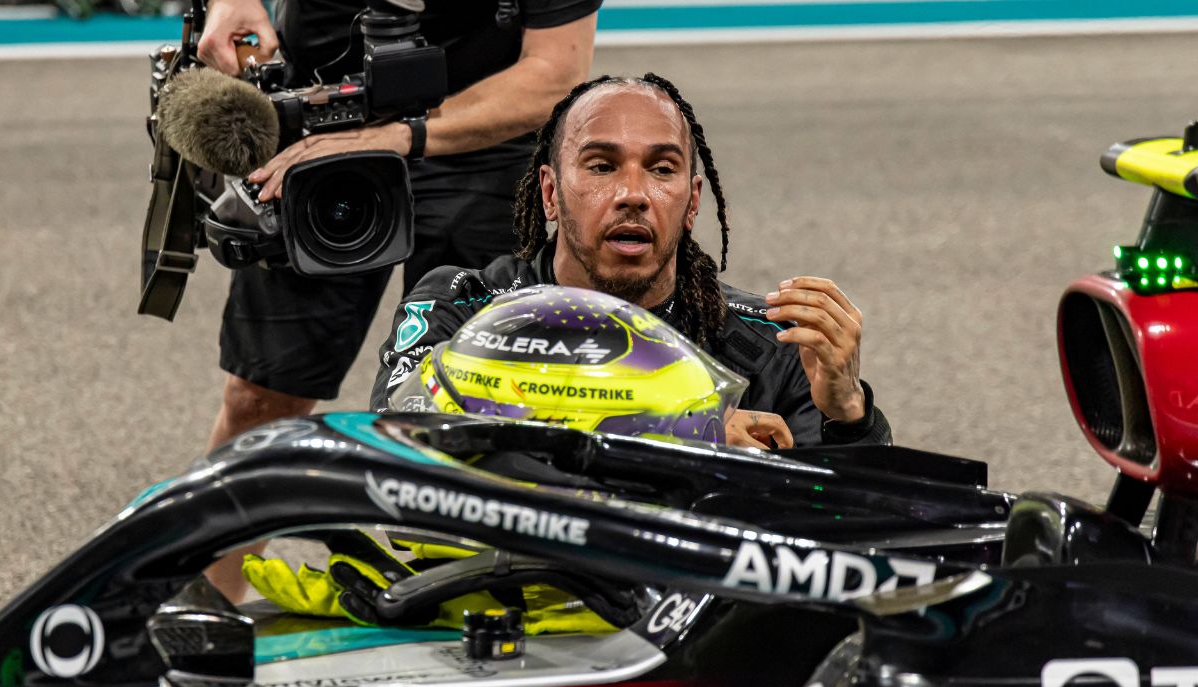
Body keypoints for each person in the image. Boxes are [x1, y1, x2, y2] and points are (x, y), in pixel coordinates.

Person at [196, 0, 601, 599]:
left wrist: (398, 134)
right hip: (319, 112)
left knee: (488, 397)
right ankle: (200, 612)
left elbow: (556, 72)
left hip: (483, 133)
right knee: (262, 396)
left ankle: (485, 618)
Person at [370, 73, 892, 449]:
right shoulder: (458, 305)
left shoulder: (775, 345)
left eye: (661, 169)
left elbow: (848, 534)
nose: (633, 193)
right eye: (601, 166)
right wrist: (687, 431)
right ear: (550, 194)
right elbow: (403, 436)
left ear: (691, 202)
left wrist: (848, 414)